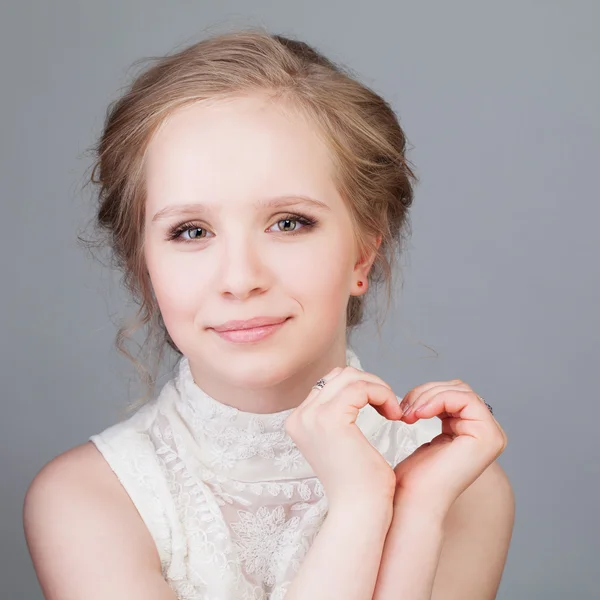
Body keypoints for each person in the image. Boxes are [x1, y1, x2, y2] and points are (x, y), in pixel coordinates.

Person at [23, 27, 514, 600]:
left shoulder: (460, 486)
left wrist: (418, 509)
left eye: (288, 222)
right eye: (191, 231)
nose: (240, 279)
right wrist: (361, 508)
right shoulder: (87, 499)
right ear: (145, 267)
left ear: (363, 251)